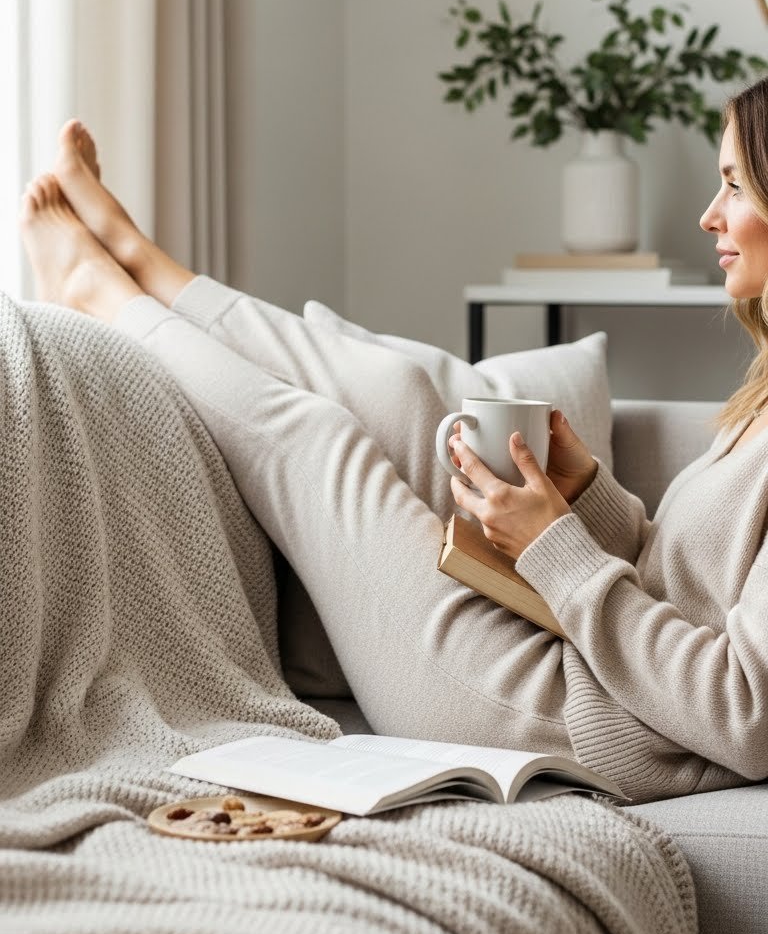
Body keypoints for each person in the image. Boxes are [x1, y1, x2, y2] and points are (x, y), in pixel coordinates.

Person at [16, 77, 768, 803]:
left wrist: (555, 545)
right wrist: (587, 498)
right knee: (399, 395)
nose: (709, 215)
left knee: (316, 445)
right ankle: (144, 261)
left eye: (733, 185)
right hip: (596, 664)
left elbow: (744, 713)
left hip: (576, 713)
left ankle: (98, 292)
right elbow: (685, 585)